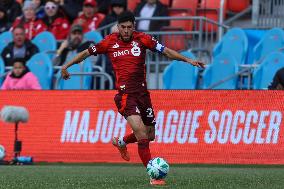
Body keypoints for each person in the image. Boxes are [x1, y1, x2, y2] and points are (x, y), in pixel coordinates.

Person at [61, 11, 204, 185]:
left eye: (129, 27)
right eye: (123, 27)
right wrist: (67, 65)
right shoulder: (109, 42)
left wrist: (188, 60)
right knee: (142, 133)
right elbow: (85, 53)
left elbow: (165, 51)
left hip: (143, 94)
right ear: (118, 27)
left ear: (134, 27)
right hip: (125, 95)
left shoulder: (143, 39)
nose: (126, 30)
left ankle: (121, 142)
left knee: (150, 135)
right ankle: (154, 176)